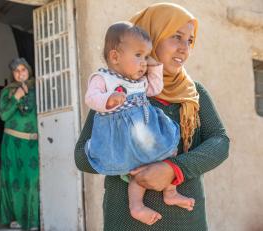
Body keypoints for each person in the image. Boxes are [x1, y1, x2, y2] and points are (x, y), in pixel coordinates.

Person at [75, 3, 230, 230]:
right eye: (176, 37)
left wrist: (173, 168)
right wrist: (131, 159)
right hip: (126, 221)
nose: (184, 48)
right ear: (152, 36)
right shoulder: (117, 91)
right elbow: (82, 156)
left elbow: (220, 142)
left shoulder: (193, 93)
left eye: (190, 40)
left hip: (185, 221)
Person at [84, 21, 194, 225]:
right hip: (122, 138)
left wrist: (153, 66)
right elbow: (91, 98)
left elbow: (154, 88)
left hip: (146, 133)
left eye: (146, 56)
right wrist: (108, 100)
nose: (143, 62)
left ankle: (171, 192)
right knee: (137, 172)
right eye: (138, 56)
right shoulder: (103, 78)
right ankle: (136, 206)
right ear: (115, 56)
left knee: (169, 150)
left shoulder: (138, 81)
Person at [0, 58, 39, 231]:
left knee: (32, 180)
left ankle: (33, 221)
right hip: (12, 143)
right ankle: (16, 218)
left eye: (23, 69)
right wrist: (16, 97)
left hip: (33, 143)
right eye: (16, 70)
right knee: (14, 180)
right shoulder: (7, 92)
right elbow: (3, 115)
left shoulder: (39, 89)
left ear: (29, 70)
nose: (20, 73)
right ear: (12, 74)